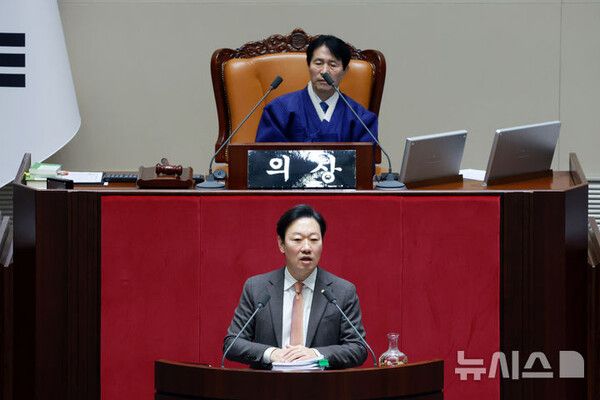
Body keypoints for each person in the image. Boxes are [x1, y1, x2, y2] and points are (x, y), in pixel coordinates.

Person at [223, 204, 368, 369]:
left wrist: (317, 355)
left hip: (323, 382)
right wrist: (271, 354)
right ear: (281, 244)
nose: (306, 248)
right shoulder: (256, 288)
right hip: (268, 383)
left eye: (314, 240)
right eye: (297, 240)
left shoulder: (343, 291)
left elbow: (358, 348)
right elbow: (232, 344)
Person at [255, 35, 378, 143]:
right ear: (308, 65)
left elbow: (366, 160)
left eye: (333, 65)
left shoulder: (361, 118)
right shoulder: (279, 109)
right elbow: (265, 157)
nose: (324, 71)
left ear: (345, 71)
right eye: (318, 63)